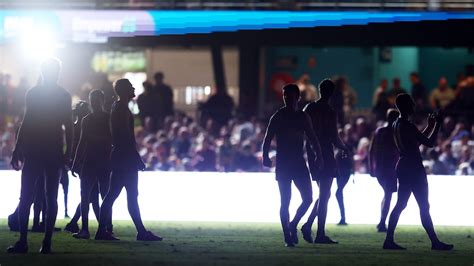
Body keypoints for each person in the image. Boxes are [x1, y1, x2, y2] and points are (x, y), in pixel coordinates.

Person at [7, 58, 73, 254]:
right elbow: (68, 127)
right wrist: (68, 152)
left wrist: (17, 148)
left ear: (43, 71)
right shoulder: (62, 95)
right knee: (50, 196)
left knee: (26, 196)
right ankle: (46, 243)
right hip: (51, 150)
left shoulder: (34, 94)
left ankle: (24, 241)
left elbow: (26, 122)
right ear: (58, 73)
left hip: (35, 150)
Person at [383, 93, 453, 251]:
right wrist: (437, 125)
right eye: (411, 103)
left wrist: (430, 125)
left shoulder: (397, 124)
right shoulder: (407, 125)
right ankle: (435, 242)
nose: (414, 105)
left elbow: (417, 142)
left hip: (403, 165)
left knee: (401, 204)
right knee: (423, 205)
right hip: (413, 167)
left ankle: (389, 239)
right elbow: (429, 143)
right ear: (407, 106)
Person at [95, 79, 162, 242]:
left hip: (120, 156)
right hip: (125, 157)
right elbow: (126, 136)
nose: (133, 88)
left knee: (115, 194)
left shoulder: (118, 108)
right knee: (126, 194)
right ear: (125, 90)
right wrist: (136, 157)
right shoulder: (122, 110)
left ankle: (104, 231)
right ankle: (139, 232)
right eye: (131, 86)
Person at [262, 83, 322, 247]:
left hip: (297, 162)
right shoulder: (278, 116)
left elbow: (312, 137)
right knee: (285, 201)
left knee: (308, 199)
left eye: (289, 95)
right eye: (285, 95)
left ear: (297, 97)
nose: (286, 98)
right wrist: (265, 156)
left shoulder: (302, 117)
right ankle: (287, 236)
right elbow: (267, 138)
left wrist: (319, 155)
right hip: (284, 163)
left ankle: (293, 224)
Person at [301, 78, 348, 244]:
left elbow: (304, 131)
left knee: (324, 194)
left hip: (312, 153)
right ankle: (319, 233)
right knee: (325, 193)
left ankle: (308, 225)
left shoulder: (309, 108)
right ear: (332, 93)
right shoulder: (330, 111)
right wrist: (344, 148)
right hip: (325, 153)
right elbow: (335, 137)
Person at [71, 90, 113, 239]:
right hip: (95, 162)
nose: (94, 102)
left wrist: (75, 162)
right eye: (92, 99)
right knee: (98, 196)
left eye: (95, 99)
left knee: (100, 196)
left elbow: (83, 142)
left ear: (101, 100)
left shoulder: (92, 120)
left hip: (96, 162)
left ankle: (98, 229)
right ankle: (98, 229)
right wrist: (75, 162)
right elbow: (82, 143)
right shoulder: (99, 119)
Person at [368, 108, 400, 232]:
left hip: (381, 168)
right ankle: (382, 222)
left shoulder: (379, 131)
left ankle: (382, 221)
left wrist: (372, 167)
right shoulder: (394, 132)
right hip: (390, 168)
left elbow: (371, 150)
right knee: (388, 195)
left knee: (387, 194)